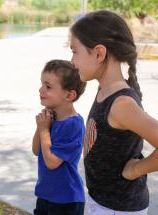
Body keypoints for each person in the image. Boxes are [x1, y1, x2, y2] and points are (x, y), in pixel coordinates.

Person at [70, 10, 158, 214]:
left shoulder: (121, 104)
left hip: (118, 208)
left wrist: (137, 169)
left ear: (99, 53)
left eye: (75, 52)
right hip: (103, 202)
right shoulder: (104, 90)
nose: (72, 61)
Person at [32, 59, 86, 215]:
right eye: (42, 84)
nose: (41, 90)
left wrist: (44, 130)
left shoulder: (73, 125)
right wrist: (41, 127)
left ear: (69, 94)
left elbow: (52, 162)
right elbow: (36, 150)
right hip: (45, 195)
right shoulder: (50, 118)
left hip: (66, 201)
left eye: (48, 87)